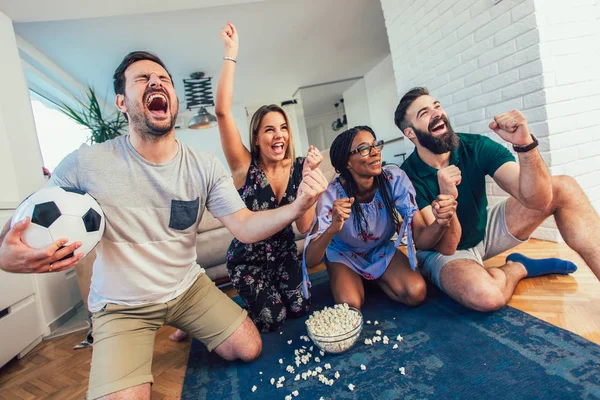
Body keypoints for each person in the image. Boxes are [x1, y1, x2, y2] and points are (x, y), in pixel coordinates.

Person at [0, 51, 327, 400]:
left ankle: (187, 325)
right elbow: (24, 218)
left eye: (164, 79)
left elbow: (245, 226)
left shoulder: (204, 166)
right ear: (122, 102)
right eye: (143, 78)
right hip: (122, 306)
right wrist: (5, 255)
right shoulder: (86, 163)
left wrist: (300, 205)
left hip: (187, 289)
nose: (156, 82)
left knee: (249, 348)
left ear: (172, 99)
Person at [395, 87, 599, 312]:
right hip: (442, 249)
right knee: (487, 297)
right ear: (410, 133)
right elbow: (446, 244)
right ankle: (518, 267)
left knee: (564, 186)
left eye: (437, 106)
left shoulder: (475, 146)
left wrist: (525, 146)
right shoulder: (407, 177)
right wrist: (447, 198)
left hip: (482, 229)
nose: (436, 113)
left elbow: (539, 200)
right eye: (424, 113)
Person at [303, 126, 458, 310]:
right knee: (350, 305)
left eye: (375, 145)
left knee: (416, 293)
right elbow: (311, 260)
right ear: (347, 162)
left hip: (380, 249)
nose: (375, 152)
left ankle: (373, 278)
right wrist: (333, 228)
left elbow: (422, 240)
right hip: (344, 253)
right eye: (364, 148)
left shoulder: (394, 180)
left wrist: (441, 223)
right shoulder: (331, 194)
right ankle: (354, 276)